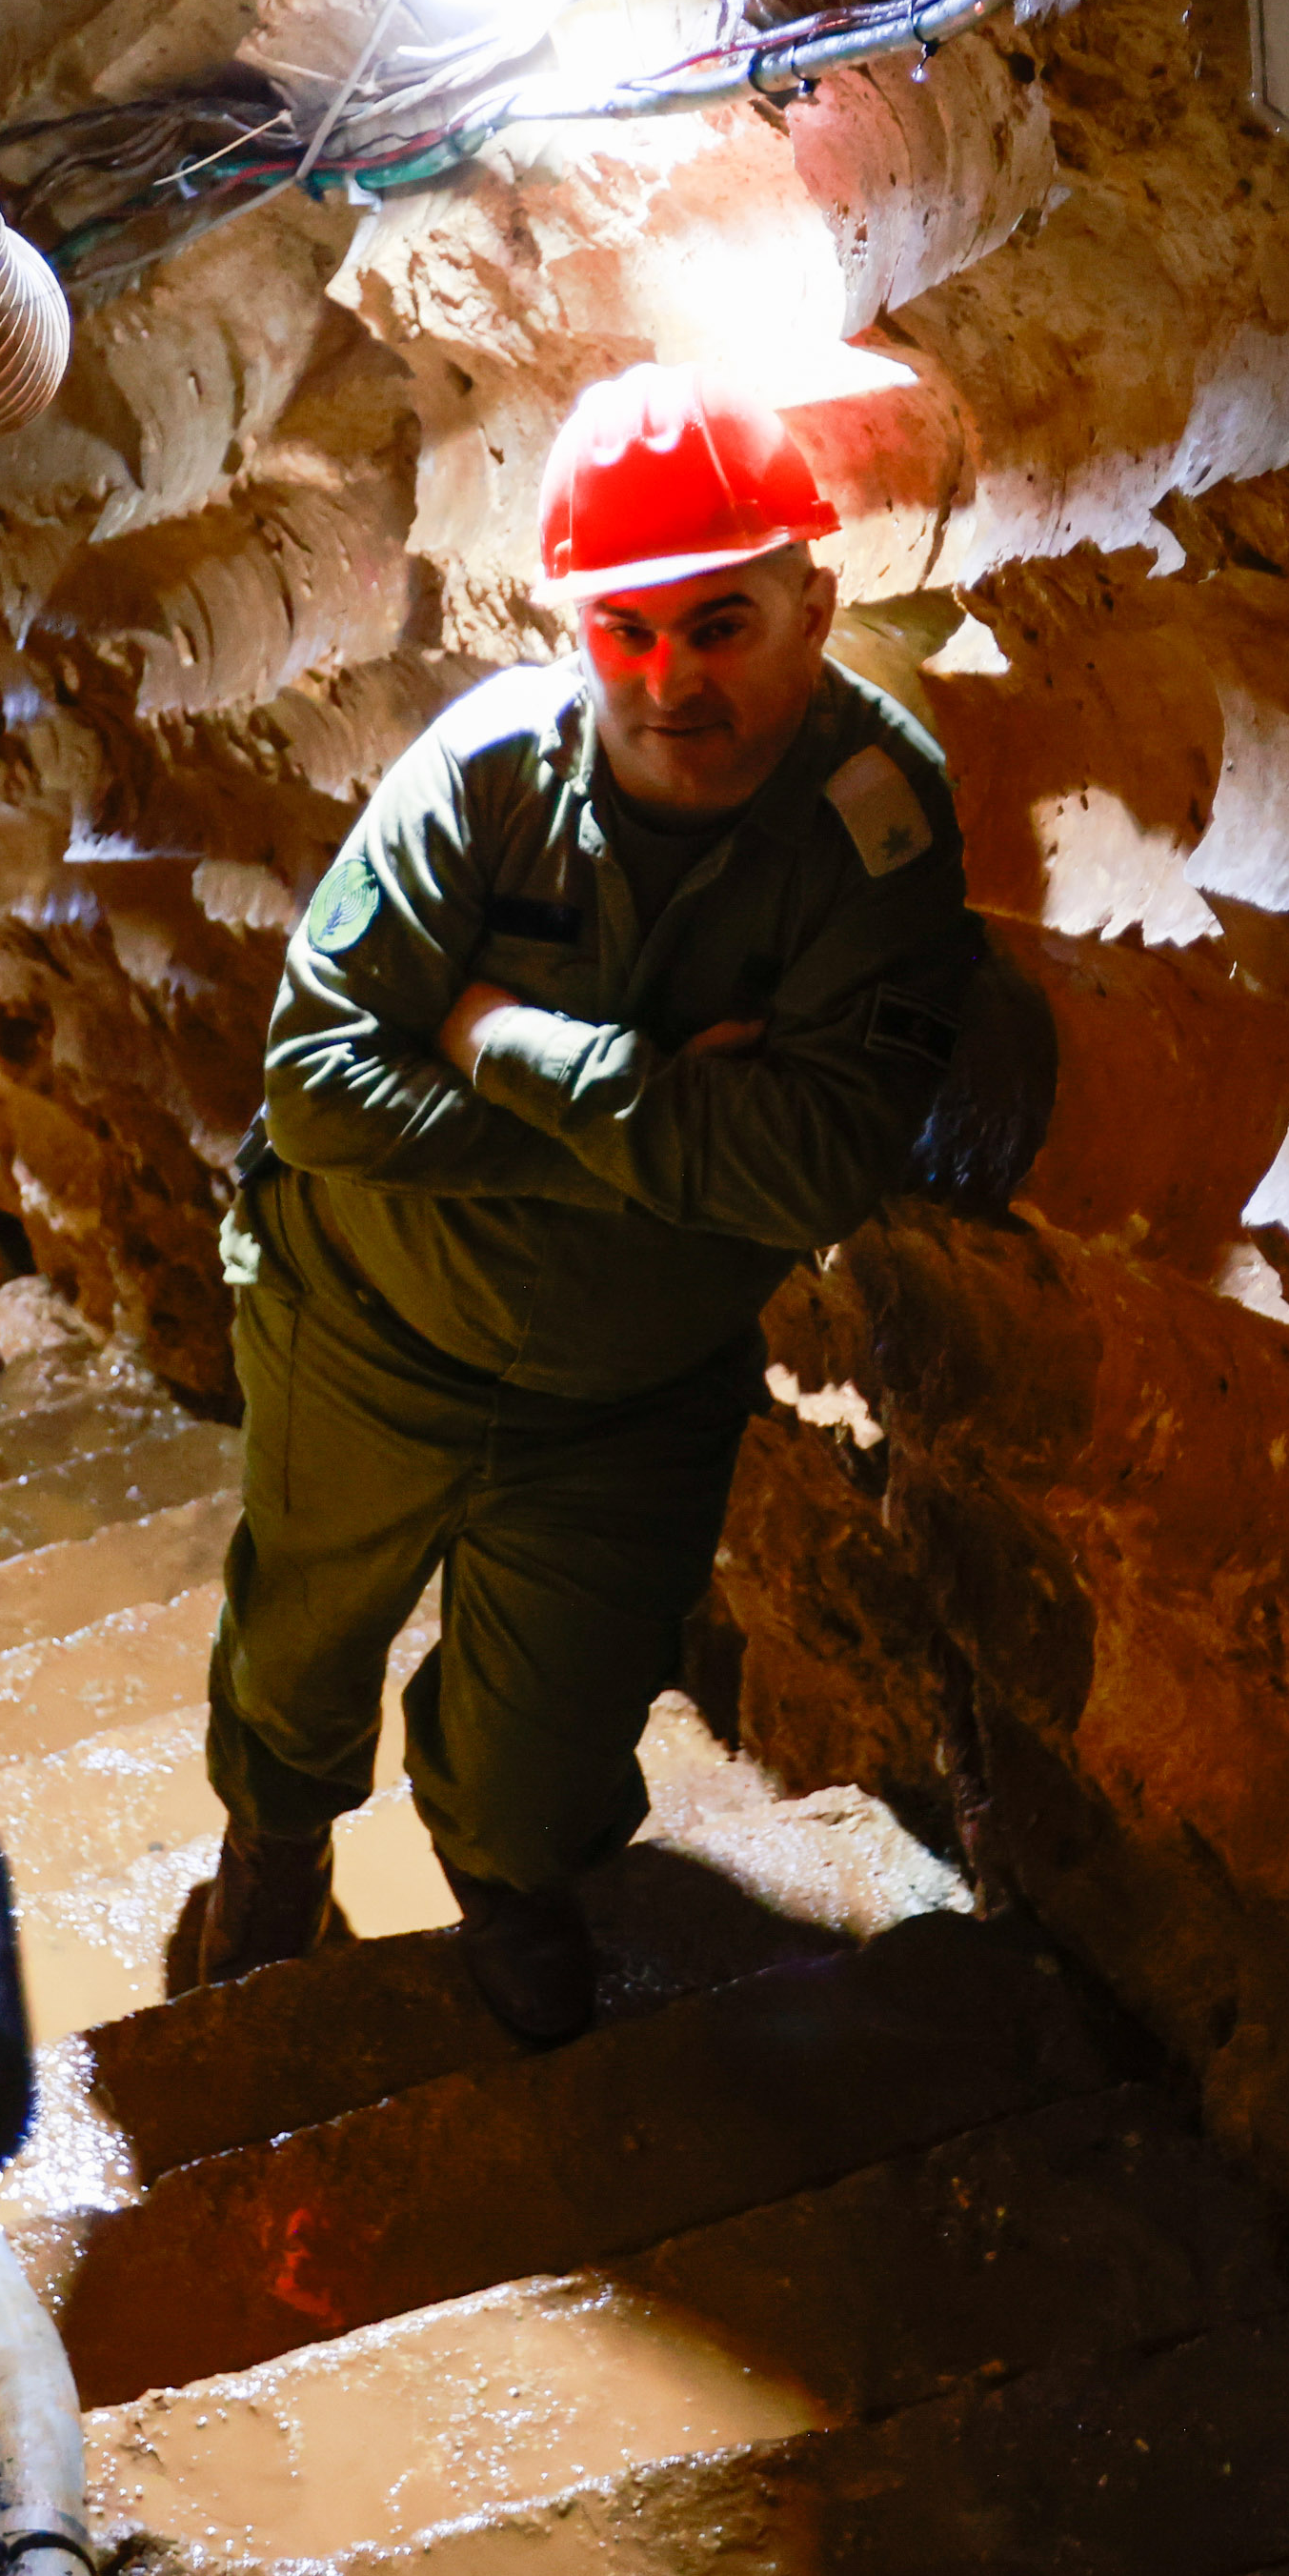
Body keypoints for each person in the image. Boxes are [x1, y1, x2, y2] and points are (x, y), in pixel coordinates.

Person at [187, 361, 978, 2042]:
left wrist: (509, 1045)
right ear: (576, 631)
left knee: (553, 1743)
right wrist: (652, 1111)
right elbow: (316, 1092)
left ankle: (508, 1880)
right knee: (297, 1645)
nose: (672, 679)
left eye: (722, 624)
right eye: (630, 630)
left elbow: (816, 1161)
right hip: (370, 1333)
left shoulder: (872, 828)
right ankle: (273, 1852)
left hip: (626, 1398)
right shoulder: (478, 783)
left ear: (813, 607)